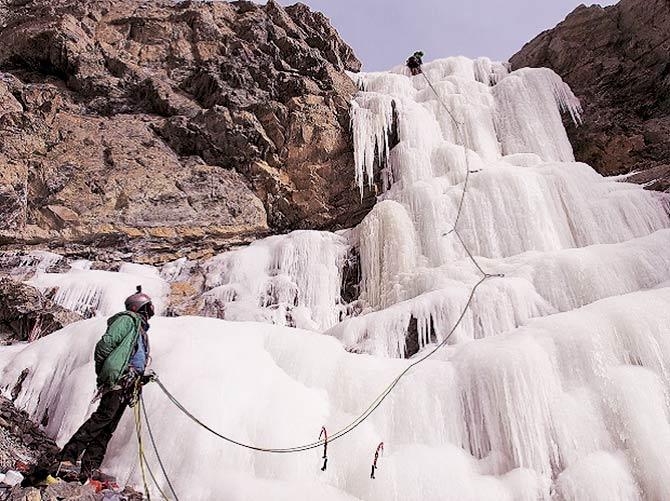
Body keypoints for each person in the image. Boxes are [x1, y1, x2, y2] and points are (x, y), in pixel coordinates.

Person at [56, 286, 156, 483]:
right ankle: (67, 458)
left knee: (108, 425)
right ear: (140, 307)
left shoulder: (140, 329)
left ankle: (89, 468)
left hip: (128, 383)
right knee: (102, 418)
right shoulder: (127, 320)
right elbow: (105, 345)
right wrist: (108, 371)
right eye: (149, 306)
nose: (152, 310)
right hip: (119, 380)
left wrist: (140, 375)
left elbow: (134, 356)